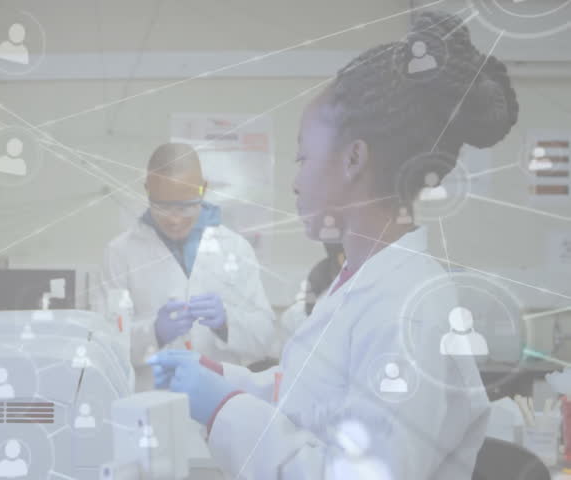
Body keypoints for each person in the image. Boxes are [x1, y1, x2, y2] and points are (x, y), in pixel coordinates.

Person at [147, 11, 518, 479]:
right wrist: (225, 381)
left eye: (303, 155)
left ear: (353, 159)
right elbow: (312, 401)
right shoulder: (361, 286)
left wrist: (225, 408)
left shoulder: (405, 310)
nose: (296, 180)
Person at [100, 143, 276, 391]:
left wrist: (226, 323)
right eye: (161, 206)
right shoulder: (119, 253)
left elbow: (265, 338)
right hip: (150, 408)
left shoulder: (235, 248)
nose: (174, 219)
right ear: (147, 190)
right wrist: (154, 333)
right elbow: (105, 347)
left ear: (203, 190)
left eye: (185, 206)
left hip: (221, 406)